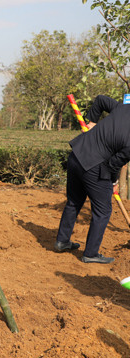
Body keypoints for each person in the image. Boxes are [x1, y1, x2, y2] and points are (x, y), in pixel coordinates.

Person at [55, 95, 130, 264]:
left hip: (76, 155)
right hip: (94, 165)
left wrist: (92, 121)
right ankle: (90, 253)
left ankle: (62, 241)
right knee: (103, 211)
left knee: (74, 201)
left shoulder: (123, 108)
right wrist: (113, 181)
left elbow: (101, 100)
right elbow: (114, 163)